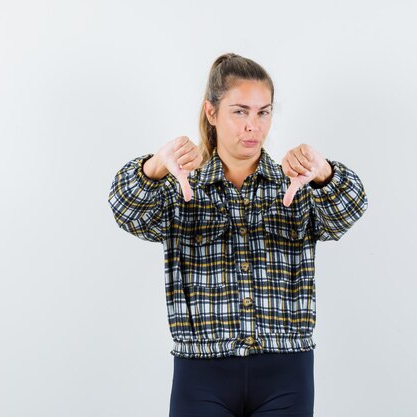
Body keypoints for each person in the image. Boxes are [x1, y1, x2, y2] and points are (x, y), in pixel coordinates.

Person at [108, 53, 368, 417]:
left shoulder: (296, 184)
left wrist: (324, 172)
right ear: (212, 113)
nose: (253, 126)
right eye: (240, 111)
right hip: (201, 372)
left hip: (286, 372)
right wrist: (153, 166)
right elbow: (126, 211)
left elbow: (349, 211)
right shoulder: (182, 185)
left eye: (263, 112)